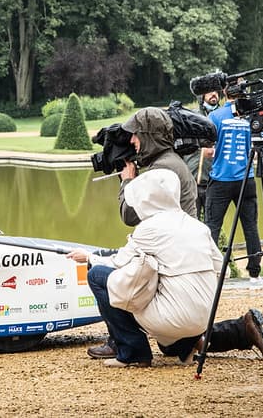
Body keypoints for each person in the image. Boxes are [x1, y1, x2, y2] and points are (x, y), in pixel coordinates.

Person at [67, 169, 263, 367]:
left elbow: (117, 264)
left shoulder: (148, 229)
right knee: (168, 338)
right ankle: (191, 344)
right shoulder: (197, 226)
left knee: (97, 275)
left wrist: (89, 257)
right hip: (203, 318)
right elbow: (224, 271)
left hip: (172, 318)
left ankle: (132, 351)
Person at [86, 106, 198, 359]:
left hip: (168, 259)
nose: (133, 141)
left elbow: (129, 216)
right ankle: (234, 331)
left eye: (135, 135)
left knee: (97, 272)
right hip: (179, 255)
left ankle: (127, 346)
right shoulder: (168, 162)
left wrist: (127, 181)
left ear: (148, 135)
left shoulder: (161, 170)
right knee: (172, 346)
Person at [203, 90, 263, 288]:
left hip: (221, 178)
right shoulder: (251, 116)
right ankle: (254, 275)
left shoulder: (215, 116)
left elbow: (206, 150)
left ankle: (210, 274)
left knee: (212, 227)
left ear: (224, 93)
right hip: (245, 179)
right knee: (250, 227)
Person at [182, 89, 223, 219]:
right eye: (210, 92)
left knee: (212, 224)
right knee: (190, 223)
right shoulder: (192, 117)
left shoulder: (222, 117)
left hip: (213, 183)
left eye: (216, 92)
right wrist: (201, 151)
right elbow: (183, 144)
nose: (214, 94)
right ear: (202, 96)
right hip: (191, 183)